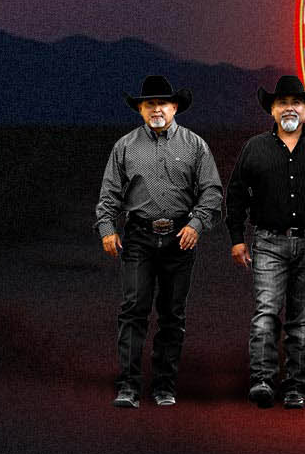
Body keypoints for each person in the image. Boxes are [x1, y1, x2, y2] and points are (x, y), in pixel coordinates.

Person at [95, 74, 224, 409]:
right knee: (134, 309)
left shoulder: (195, 145)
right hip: (138, 235)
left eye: (162, 103)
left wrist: (197, 223)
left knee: (172, 314)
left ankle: (165, 386)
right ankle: (128, 386)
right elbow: (110, 192)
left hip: (180, 237)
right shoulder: (124, 147)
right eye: (149, 104)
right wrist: (107, 228)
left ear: (175, 106)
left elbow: (211, 191)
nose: (156, 109)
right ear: (140, 109)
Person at [226, 74, 305, 409]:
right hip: (267, 242)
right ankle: (262, 380)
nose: (289, 108)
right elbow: (235, 194)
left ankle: (295, 385)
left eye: (296, 103)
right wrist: (237, 239)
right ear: (272, 111)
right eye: (282, 103)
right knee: (265, 313)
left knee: (301, 319)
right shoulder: (255, 148)